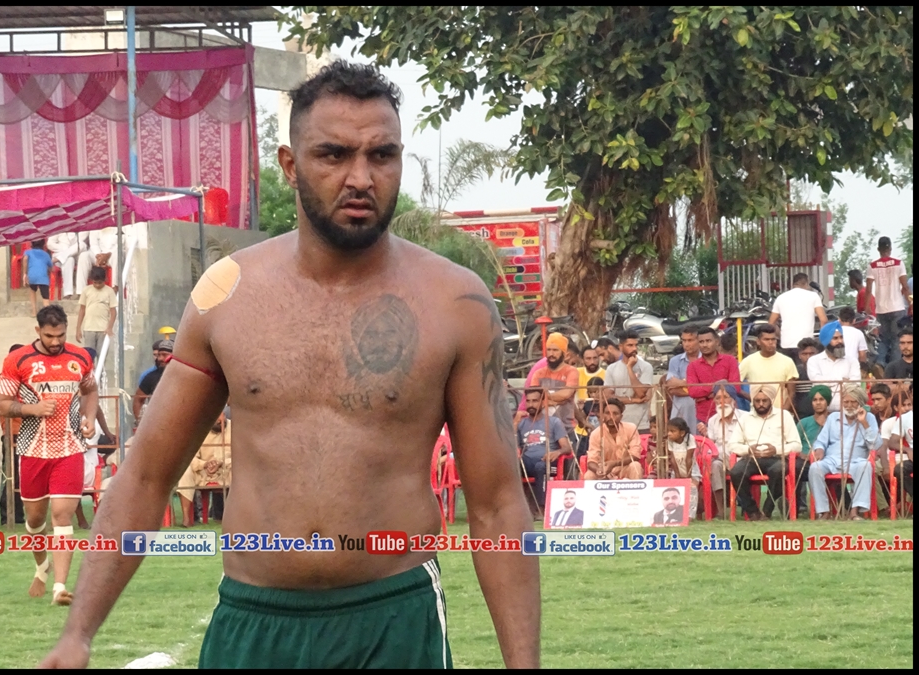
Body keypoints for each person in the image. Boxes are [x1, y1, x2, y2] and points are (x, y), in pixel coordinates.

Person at [40, 61, 539, 670]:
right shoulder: (227, 296)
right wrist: (78, 633)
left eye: (382, 155)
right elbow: (145, 477)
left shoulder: (455, 303)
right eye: (334, 154)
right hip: (253, 621)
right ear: (289, 164)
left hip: (393, 618)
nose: (361, 177)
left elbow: (496, 505)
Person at [0, 305, 98, 607]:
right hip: (32, 450)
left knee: (62, 515)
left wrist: (90, 418)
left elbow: (91, 389)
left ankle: (60, 588)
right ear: (38, 331)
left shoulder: (80, 357)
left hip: (70, 448)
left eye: (61, 335)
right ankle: (42, 566)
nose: (55, 341)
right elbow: (2, 403)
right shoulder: (18, 360)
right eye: (50, 336)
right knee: (35, 519)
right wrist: (32, 409)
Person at [729, 384, 802, 520]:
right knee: (736, 472)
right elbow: (732, 445)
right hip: (752, 458)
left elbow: (797, 445)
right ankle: (753, 512)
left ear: (771, 400)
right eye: (757, 401)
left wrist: (776, 449)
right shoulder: (745, 418)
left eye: (764, 400)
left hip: (776, 458)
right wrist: (748, 449)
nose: (761, 404)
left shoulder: (784, 416)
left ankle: (767, 510)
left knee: (779, 470)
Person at [807, 385, 880, 520]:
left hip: (856, 461)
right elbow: (821, 440)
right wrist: (819, 449)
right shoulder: (833, 417)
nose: (849, 406)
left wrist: (864, 423)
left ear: (860, 403)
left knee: (865, 466)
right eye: (846, 402)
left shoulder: (869, 418)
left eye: (853, 402)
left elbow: (875, 445)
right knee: (815, 468)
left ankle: (854, 511)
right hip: (832, 460)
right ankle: (824, 511)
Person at [516, 389, 571, 517]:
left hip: (548, 462)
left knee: (541, 467)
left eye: (535, 401)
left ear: (542, 402)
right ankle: (516, 510)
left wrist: (557, 452)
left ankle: (542, 510)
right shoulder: (521, 423)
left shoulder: (553, 422)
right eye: (528, 401)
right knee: (511, 466)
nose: (531, 404)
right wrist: (515, 423)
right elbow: (512, 445)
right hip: (527, 461)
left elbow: (567, 447)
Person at [865, 236, 910, 367]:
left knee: (883, 339)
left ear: (878, 249)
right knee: (897, 340)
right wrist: (911, 302)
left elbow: (868, 289)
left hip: (881, 309)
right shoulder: (898, 263)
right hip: (897, 307)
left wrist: (867, 307)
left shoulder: (872, 265)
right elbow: (905, 286)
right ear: (890, 248)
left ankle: (880, 364)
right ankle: (894, 368)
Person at [0, 343, 27, 526]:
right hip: (12, 433)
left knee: (23, 476)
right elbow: (5, 402)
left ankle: (19, 515)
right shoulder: (4, 379)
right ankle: (7, 515)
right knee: (10, 476)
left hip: (29, 432)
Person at [687, 326, 742, 424]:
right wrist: (716, 387)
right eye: (701, 342)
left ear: (717, 342)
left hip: (729, 415)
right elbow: (692, 391)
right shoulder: (693, 366)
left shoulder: (730, 361)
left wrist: (706, 395)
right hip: (704, 418)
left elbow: (735, 387)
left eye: (708, 341)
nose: (704, 345)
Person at [602, 330, 654, 433]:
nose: (634, 348)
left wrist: (629, 368)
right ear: (621, 347)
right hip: (618, 423)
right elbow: (608, 398)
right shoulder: (612, 368)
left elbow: (641, 393)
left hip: (640, 423)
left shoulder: (646, 367)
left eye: (636, 345)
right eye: (630, 345)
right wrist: (634, 400)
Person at [526, 333, 581, 429]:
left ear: (564, 353)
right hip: (542, 427)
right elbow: (534, 398)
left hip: (566, 426)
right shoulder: (538, 373)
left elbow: (566, 394)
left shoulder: (571, 371)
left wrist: (544, 396)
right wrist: (558, 400)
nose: (551, 354)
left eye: (555, 350)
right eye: (549, 350)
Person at [769, 272, 828, 359]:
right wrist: (822, 341)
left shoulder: (781, 298)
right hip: (806, 346)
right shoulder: (813, 296)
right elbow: (823, 320)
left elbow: (771, 323)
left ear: (793, 284)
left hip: (786, 344)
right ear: (806, 284)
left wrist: (780, 335)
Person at [739, 325, 798, 410]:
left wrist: (783, 412)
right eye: (766, 339)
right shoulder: (748, 361)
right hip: (757, 413)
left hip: (780, 412)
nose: (771, 342)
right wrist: (753, 399)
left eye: (773, 339)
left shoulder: (787, 361)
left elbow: (791, 392)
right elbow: (734, 385)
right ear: (758, 341)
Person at [704, 384, 744, 509]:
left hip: (741, 458)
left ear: (733, 400)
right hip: (721, 459)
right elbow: (711, 445)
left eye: (725, 397)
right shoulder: (713, 420)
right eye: (717, 398)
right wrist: (706, 435)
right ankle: (721, 508)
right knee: (714, 465)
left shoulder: (745, 418)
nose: (721, 401)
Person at [585, 399, 643, 480]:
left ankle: (635, 489)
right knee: (589, 475)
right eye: (607, 413)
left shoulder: (631, 428)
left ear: (621, 416)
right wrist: (600, 470)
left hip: (625, 468)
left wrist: (614, 464)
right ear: (602, 415)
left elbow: (635, 455)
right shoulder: (596, 433)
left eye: (615, 414)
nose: (611, 417)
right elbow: (591, 461)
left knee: (635, 466)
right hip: (605, 470)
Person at [807, 322, 859, 409]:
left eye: (841, 337)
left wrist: (828, 384)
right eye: (835, 338)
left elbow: (855, 384)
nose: (840, 341)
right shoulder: (814, 361)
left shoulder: (852, 361)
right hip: (824, 411)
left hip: (847, 410)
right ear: (826, 342)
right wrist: (842, 381)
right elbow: (817, 383)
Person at [664, 325, 700, 434]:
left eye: (690, 340)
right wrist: (700, 389)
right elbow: (672, 388)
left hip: (701, 412)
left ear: (698, 340)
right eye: (684, 340)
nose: (686, 344)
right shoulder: (675, 361)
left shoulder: (706, 359)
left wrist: (682, 383)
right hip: (681, 413)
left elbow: (710, 387)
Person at [660, 417, 701, 510]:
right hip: (677, 470)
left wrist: (688, 477)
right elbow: (673, 459)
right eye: (668, 431)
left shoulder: (690, 438)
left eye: (672, 431)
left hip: (691, 470)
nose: (669, 433)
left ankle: (690, 513)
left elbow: (689, 459)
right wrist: (677, 475)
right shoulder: (670, 440)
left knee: (692, 489)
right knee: (673, 489)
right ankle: (678, 511)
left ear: (682, 433)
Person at [75, 266, 118, 355]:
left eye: (100, 283)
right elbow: (82, 310)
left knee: (102, 355)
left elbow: (113, 312)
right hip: (89, 328)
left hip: (103, 329)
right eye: (95, 283)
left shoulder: (109, 291)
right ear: (91, 280)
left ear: (105, 280)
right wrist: (78, 329)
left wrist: (109, 327)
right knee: (89, 355)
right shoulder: (86, 290)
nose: (97, 285)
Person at [133, 339, 174, 424]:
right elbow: (138, 399)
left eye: (164, 355)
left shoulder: (185, 376)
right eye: (159, 355)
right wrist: (140, 422)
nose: (160, 358)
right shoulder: (150, 377)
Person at [791, 338, 822, 420]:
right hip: (800, 415)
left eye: (811, 353)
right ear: (799, 355)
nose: (808, 357)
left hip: (822, 414)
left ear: (817, 353)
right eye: (804, 354)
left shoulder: (823, 371)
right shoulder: (795, 371)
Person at [797, 386, 834, 455]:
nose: (818, 403)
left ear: (828, 402)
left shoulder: (835, 421)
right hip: (806, 459)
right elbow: (796, 445)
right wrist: (803, 455)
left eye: (821, 399)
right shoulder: (803, 423)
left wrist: (824, 425)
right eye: (815, 400)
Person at [24, 239, 55, 317]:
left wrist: (25, 273)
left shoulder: (28, 252)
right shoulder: (46, 254)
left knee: (32, 291)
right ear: (43, 245)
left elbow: (25, 259)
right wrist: (49, 270)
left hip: (32, 276)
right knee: (45, 297)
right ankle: (47, 313)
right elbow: (51, 268)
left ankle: (34, 312)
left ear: (31, 244)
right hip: (43, 278)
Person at [48, 233, 81, 299]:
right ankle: (68, 293)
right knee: (69, 259)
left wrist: (67, 252)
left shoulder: (78, 230)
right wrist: (63, 249)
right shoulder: (59, 229)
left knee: (82, 245)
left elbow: (81, 244)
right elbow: (49, 244)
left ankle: (60, 258)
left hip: (76, 256)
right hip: (60, 255)